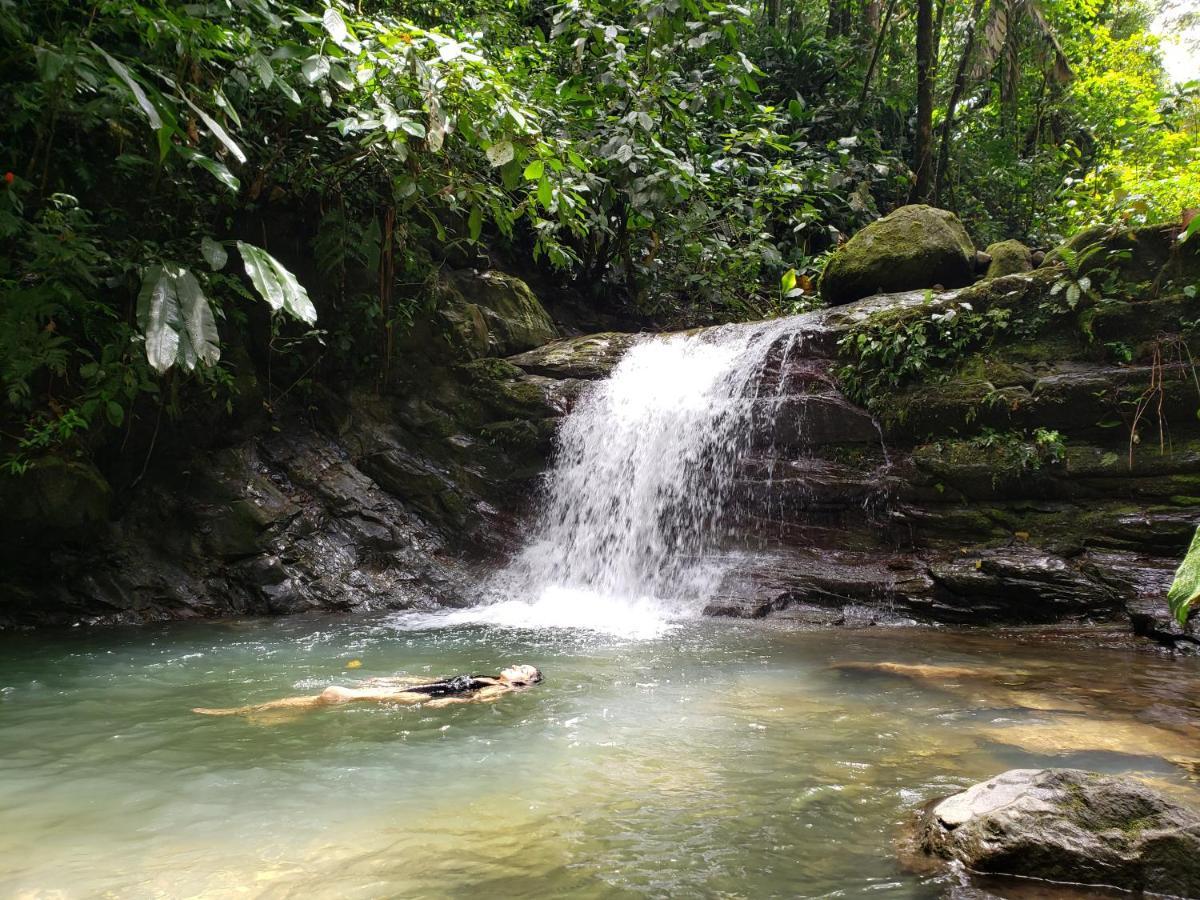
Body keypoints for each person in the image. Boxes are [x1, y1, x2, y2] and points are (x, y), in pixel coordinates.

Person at [192, 664, 543, 717]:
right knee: (331, 694)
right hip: (418, 690)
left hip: (422, 700)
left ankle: (244, 712)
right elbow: (443, 681)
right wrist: (389, 683)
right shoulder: (492, 679)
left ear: (523, 681)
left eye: (521, 669)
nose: (514, 666)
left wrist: (445, 705)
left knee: (333, 693)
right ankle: (262, 714)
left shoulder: (502, 690)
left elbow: (469, 698)